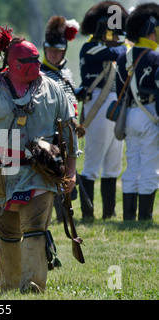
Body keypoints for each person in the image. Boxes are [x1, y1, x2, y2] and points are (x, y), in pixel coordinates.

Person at [0, 26, 79, 293]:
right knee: (8, 233)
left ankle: (33, 285)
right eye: (28, 61)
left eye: (37, 60)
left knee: (35, 227)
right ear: (12, 64)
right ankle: (10, 288)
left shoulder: (53, 89)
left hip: (40, 171)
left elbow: (69, 129)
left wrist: (71, 169)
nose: (35, 65)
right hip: (0, 171)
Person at [78, 1, 129, 220]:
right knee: (92, 164)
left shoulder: (111, 47)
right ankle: (88, 214)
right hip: (97, 105)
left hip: (114, 104)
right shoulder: (91, 47)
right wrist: (123, 41)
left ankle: (109, 212)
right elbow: (119, 52)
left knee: (113, 163)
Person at [115, 3, 159, 221]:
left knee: (132, 164)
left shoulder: (124, 56)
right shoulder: (154, 57)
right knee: (150, 164)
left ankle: (129, 216)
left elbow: (118, 90)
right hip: (149, 112)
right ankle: (145, 216)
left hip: (129, 115)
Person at [40, 16, 81, 222]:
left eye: (58, 51)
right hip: (51, 130)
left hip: (69, 129)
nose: (54, 54)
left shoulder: (66, 72)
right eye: (51, 50)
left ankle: (66, 214)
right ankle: (58, 215)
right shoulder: (40, 73)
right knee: (54, 172)